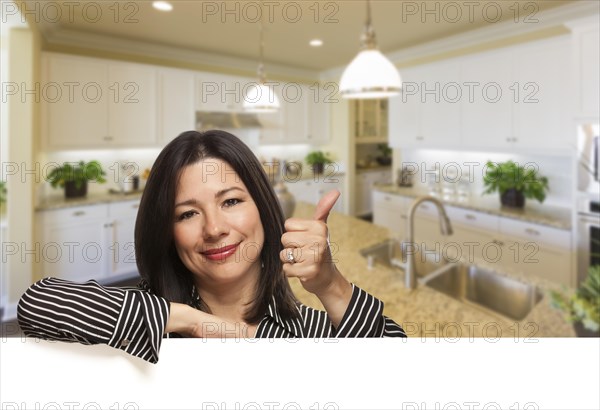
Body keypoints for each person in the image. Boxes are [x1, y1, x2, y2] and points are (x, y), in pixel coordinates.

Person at [18, 130, 406, 363]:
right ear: (167, 232)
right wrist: (198, 322)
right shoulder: (145, 324)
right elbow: (38, 304)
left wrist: (330, 284)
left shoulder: (311, 330)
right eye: (187, 214)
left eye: (231, 201)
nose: (214, 228)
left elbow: (403, 374)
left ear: (263, 209)